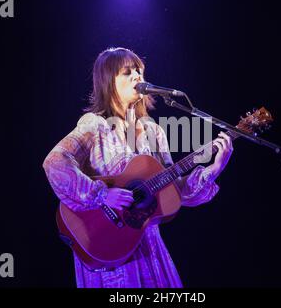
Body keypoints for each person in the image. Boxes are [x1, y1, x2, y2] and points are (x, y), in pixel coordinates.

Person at [42, 47, 234, 288]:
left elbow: (174, 190)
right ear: (108, 81)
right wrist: (101, 195)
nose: (137, 77)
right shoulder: (95, 125)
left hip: (148, 246)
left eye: (139, 71)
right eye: (127, 72)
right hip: (108, 244)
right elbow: (55, 163)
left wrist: (214, 169)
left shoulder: (154, 132)